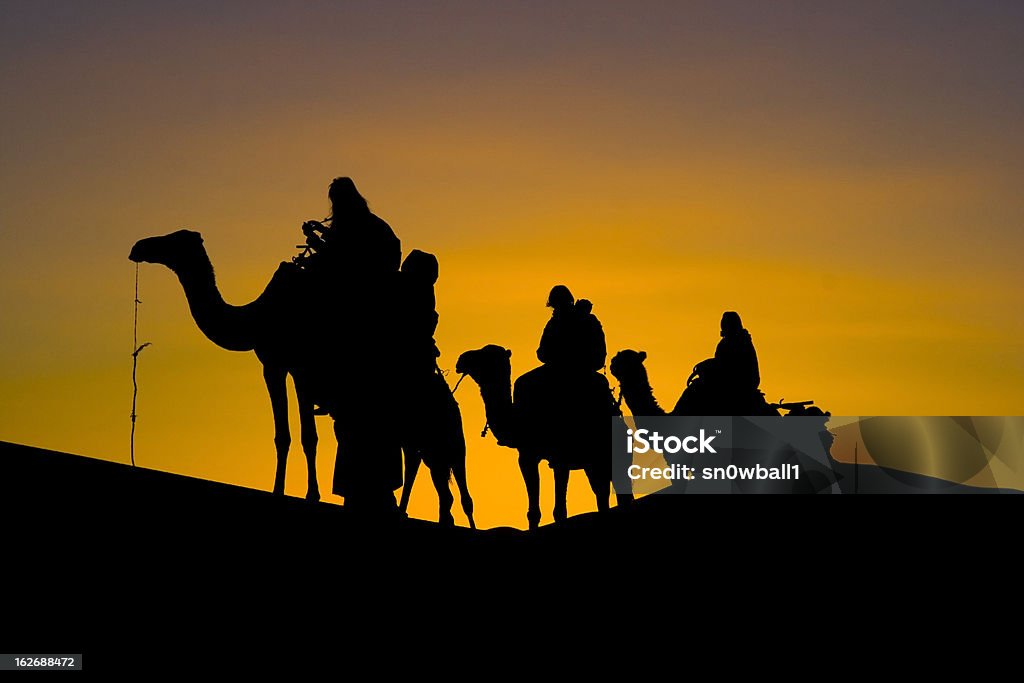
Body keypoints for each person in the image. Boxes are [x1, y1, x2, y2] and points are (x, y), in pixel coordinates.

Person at [536, 285, 606, 373]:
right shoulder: (553, 323)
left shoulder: (556, 323)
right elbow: (542, 352)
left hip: (579, 368)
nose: (555, 311)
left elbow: (542, 353)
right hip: (563, 367)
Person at [714, 311, 760, 394]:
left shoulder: (741, 341)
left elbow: (727, 364)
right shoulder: (725, 342)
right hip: (728, 379)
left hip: (741, 382)